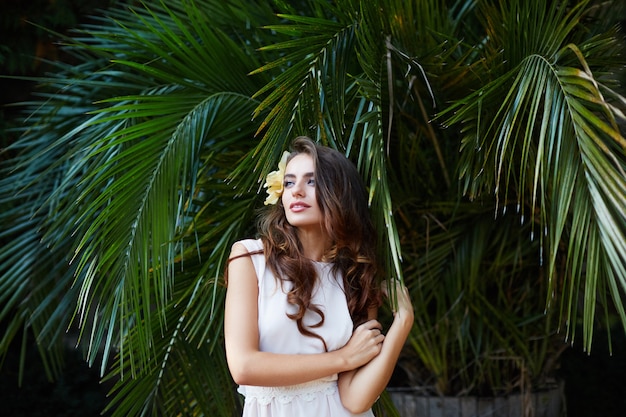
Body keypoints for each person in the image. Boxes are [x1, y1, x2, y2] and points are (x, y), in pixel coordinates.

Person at [224, 136, 414, 416]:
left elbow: (355, 400)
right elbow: (243, 367)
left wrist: (403, 322)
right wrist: (341, 359)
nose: (296, 191)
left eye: (311, 181)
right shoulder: (250, 258)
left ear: (339, 193)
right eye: (289, 182)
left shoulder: (354, 277)